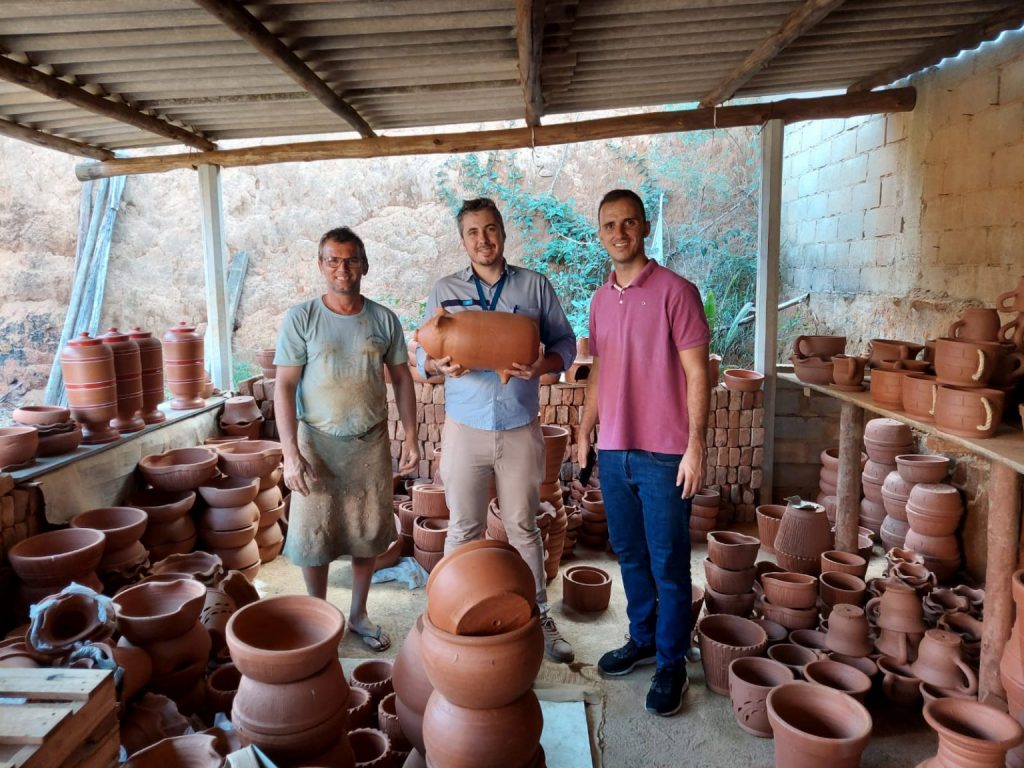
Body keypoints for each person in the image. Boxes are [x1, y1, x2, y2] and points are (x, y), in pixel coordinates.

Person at [417, 197, 577, 663]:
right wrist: (435, 362)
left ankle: (539, 617)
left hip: (519, 426)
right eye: (472, 232)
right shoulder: (444, 290)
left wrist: (540, 366)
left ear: (503, 233)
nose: (482, 240)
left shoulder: (535, 286)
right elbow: (426, 355)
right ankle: (450, 611)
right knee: (462, 528)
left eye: (490, 230)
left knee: (523, 527)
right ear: (462, 239)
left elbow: (565, 344)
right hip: (465, 427)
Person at [577, 189, 710, 715]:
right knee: (628, 554)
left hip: (664, 454)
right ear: (601, 232)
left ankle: (672, 663)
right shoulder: (599, 298)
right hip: (614, 449)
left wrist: (695, 446)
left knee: (670, 565)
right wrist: (586, 427)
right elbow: (601, 370)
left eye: (628, 223)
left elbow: (699, 373)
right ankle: (644, 638)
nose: (619, 233)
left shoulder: (678, 291)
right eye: (609, 225)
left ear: (645, 227)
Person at [274, 226, 419, 652]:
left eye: (351, 259)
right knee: (314, 535)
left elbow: (401, 379)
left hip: (369, 444)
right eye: (333, 260)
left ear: (365, 265)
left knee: (367, 533)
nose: (343, 268)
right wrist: (290, 452)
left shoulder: (383, 319)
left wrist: (410, 435)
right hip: (315, 443)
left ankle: (358, 614)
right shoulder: (301, 319)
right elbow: (284, 386)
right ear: (321, 266)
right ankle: (318, 615)